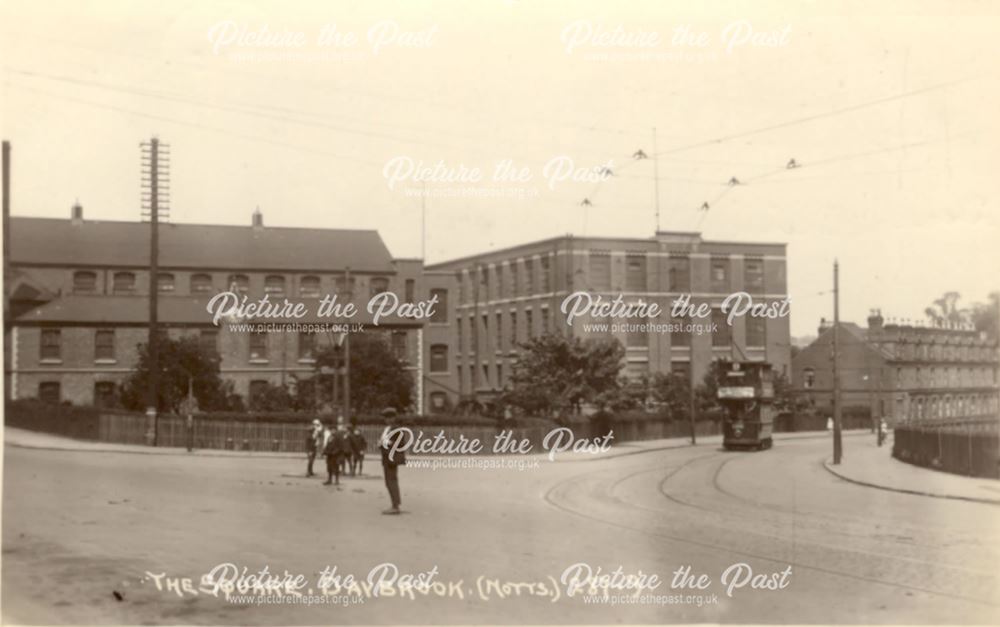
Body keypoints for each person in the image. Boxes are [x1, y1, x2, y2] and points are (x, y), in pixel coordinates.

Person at [379, 408, 406, 514]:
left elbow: (400, 443)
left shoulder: (396, 429)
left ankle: (395, 506)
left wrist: (387, 442)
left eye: (388, 418)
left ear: (393, 418)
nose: (386, 420)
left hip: (392, 458)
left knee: (391, 481)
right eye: (386, 418)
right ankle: (395, 504)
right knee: (389, 481)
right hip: (387, 457)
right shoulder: (388, 429)